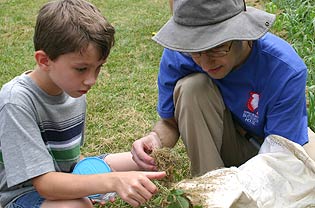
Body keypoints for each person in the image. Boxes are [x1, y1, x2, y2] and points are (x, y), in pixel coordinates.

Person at [0, 0, 166, 207]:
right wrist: (110, 182)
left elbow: (71, 161)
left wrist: (98, 180)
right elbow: (45, 185)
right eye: (81, 69)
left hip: (66, 174)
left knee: (149, 163)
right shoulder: (15, 101)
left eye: (98, 68)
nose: (91, 80)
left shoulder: (73, 89)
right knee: (79, 205)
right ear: (44, 61)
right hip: (24, 193)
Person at [131, 0, 315, 177]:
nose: (204, 63)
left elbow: (279, 155)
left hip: (270, 149)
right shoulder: (180, 53)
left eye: (216, 48)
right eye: (195, 51)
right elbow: (170, 123)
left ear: (242, 32)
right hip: (224, 142)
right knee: (192, 88)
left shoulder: (284, 69)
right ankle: (211, 186)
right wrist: (156, 139)